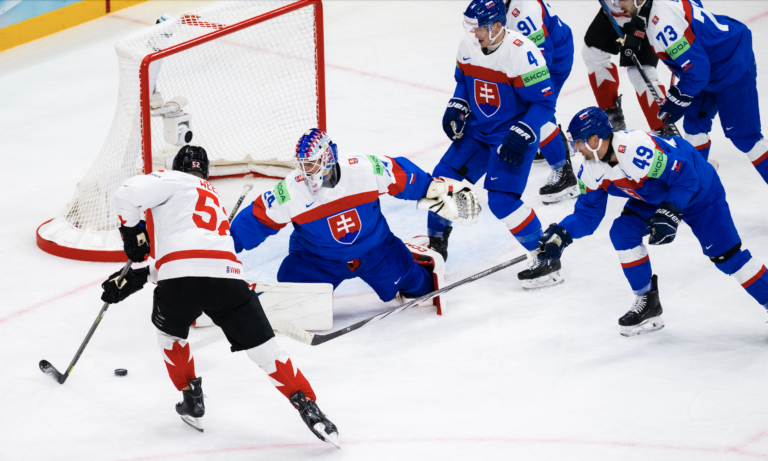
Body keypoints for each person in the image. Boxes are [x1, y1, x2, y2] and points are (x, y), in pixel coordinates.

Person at [100, 145, 340, 447]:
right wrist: (139, 275)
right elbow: (198, 258)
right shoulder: (211, 195)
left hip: (179, 281)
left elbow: (126, 193)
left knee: (171, 335)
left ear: (177, 167)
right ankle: (308, 406)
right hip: (228, 278)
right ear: (206, 172)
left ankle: (192, 398)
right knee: (267, 351)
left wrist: (135, 240)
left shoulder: (171, 180)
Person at [536, 107, 768, 336]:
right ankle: (648, 302)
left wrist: (671, 210)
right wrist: (561, 234)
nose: (575, 148)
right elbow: (587, 215)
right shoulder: (590, 170)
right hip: (652, 195)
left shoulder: (636, 149)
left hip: (700, 192)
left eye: (578, 141)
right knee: (623, 232)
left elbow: (687, 177)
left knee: (727, 258)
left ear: (595, 139)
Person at [229, 128, 480, 312]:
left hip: (378, 251)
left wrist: (434, 190)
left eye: (313, 165)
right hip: (317, 260)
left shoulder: (364, 169)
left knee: (420, 290)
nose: (306, 172)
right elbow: (254, 221)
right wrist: (221, 249)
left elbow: (404, 176)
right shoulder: (290, 192)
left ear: (328, 158)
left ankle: (418, 261)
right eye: (303, 165)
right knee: (293, 301)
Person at [432, 0, 562, 289]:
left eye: (478, 28)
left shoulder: (523, 52)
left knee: (502, 201)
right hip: (478, 131)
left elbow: (544, 103)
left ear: (497, 27)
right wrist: (457, 104)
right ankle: (436, 246)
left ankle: (545, 255)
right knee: (440, 184)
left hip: (512, 135)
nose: (472, 34)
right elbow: (463, 82)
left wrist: (526, 129)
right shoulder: (468, 46)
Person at [617, 0, 768, 184]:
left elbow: (697, 72)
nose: (618, 4)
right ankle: (698, 188)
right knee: (694, 126)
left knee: (746, 138)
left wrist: (676, 100)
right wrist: (639, 28)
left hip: (731, 64)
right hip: (710, 64)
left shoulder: (663, 24)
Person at [504, 0, 578, 204]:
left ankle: (565, 174)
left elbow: (540, 61)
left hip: (555, 59)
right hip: (548, 52)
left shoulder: (525, 12)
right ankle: (546, 144)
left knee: (536, 109)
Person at [581, 0, 675, 135]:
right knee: (593, 54)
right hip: (612, 13)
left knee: (641, 72)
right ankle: (611, 115)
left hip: (644, 13)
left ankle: (663, 129)